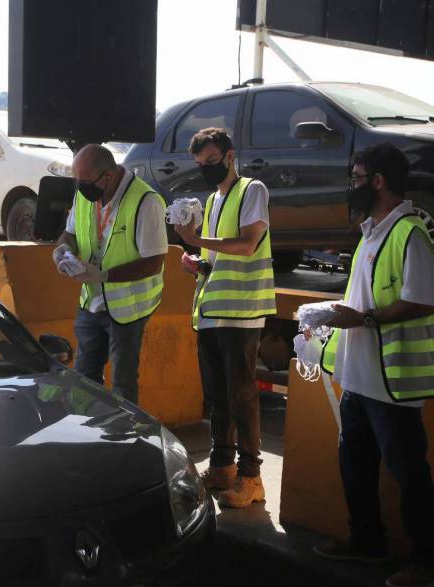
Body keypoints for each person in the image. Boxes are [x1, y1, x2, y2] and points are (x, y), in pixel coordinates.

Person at [315, 142, 434, 587]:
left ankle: (432, 558)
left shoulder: (409, 233)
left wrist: (366, 319)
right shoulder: (372, 230)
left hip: (392, 384)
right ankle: (367, 541)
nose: (351, 185)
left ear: (377, 181)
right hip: (359, 377)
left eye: (357, 177)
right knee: (354, 465)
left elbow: (421, 299)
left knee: (408, 470)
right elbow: (364, 299)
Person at [174, 127, 275, 508]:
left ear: (230, 156)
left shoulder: (253, 191)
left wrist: (196, 240)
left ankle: (251, 477)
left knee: (242, 395)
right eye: (200, 164)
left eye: (212, 162)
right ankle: (222, 467)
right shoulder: (214, 199)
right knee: (217, 397)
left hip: (241, 311)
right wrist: (198, 264)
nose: (206, 169)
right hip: (213, 310)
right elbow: (219, 259)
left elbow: (248, 245)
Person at [52, 144, 167, 405]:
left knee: (123, 385)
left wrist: (105, 276)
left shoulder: (145, 201)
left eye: (86, 181)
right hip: (91, 302)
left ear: (109, 175)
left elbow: (154, 262)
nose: (81, 188)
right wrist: (63, 249)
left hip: (128, 309)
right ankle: (88, 438)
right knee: (83, 379)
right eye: (76, 181)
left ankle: (122, 442)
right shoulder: (85, 193)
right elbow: (70, 233)